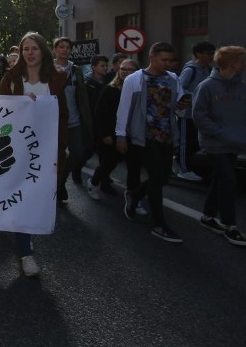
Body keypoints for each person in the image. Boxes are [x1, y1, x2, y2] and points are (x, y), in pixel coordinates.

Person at [0, 32, 68, 278]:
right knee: (21, 196)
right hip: (16, 147)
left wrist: (62, 147)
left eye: (34, 48)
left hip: (45, 149)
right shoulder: (12, 78)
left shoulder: (57, 79)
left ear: (43, 51)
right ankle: (26, 252)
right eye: (26, 48)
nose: (29, 53)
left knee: (36, 195)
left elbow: (64, 114)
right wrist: (19, 103)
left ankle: (22, 235)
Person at [116, 42, 187, 243]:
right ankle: (159, 224)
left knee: (164, 177)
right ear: (152, 57)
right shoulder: (134, 79)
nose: (167, 64)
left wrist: (182, 106)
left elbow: (178, 109)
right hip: (143, 136)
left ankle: (134, 195)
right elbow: (124, 108)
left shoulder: (173, 78)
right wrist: (120, 135)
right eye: (163, 60)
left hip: (166, 135)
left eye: (169, 60)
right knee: (156, 177)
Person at [193, 46, 246, 246]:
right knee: (229, 181)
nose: (243, 64)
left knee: (221, 180)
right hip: (215, 144)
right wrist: (220, 133)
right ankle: (230, 226)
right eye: (241, 60)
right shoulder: (207, 86)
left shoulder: (242, 87)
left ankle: (207, 216)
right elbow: (199, 116)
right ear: (232, 63)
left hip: (235, 143)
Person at [86, 58, 140, 200]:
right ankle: (93, 182)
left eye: (130, 70)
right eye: (123, 69)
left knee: (134, 166)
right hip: (112, 133)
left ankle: (133, 195)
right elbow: (100, 113)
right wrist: (105, 134)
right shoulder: (110, 89)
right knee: (109, 163)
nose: (126, 72)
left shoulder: (140, 88)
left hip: (133, 134)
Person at [53, 37, 94, 188]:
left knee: (77, 153)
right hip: (55, 121)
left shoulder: (76, 70)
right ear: (55, 50)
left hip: (74, 119)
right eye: (61, 47)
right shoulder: (47, 69)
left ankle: (62, 180)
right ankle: (57, 185)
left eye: (68, 47)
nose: (65, 50)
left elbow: (81, 96)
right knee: (57, 156)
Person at [175, 41, 216, 181]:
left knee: (196, 143)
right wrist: (196, 96)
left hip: (201, 114)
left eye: (212, 53)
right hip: (187, 114)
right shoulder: (190, 70)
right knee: (186, 141)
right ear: (198, 54)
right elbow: (179, 89)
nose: (211, 56)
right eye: (208, 53)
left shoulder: (209, 70)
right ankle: (183, 168)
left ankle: (195, 167)